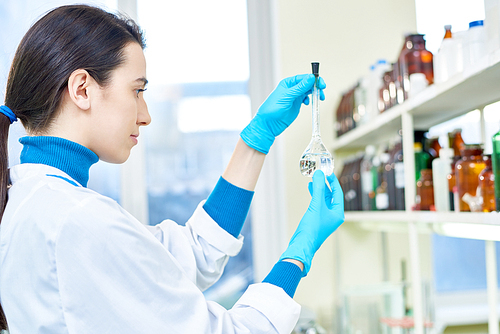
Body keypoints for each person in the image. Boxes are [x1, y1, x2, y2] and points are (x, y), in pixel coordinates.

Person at [0, 5, 344, 333]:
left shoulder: (33, 198)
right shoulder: (77, 219)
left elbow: (192, 254)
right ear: (82, 89)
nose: (145, 115)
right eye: (137, 91)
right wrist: (298, 255)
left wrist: (258, 137)